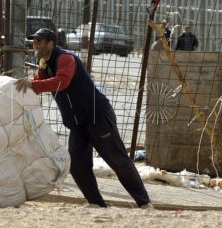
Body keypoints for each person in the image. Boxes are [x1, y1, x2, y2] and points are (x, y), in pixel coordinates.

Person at [14, 28, 154, 210]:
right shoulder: (44, 63)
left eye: (39, 42)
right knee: (77, 165)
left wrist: (33, 84)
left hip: (97, 116)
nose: (35, 46)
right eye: (34, 43)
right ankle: (96, 203)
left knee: (117, 160)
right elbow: (38, 85)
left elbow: (61, 81)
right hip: (77, 122)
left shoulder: (66, 59)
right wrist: (18, 87)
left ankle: (144, 203)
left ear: (50, 44)